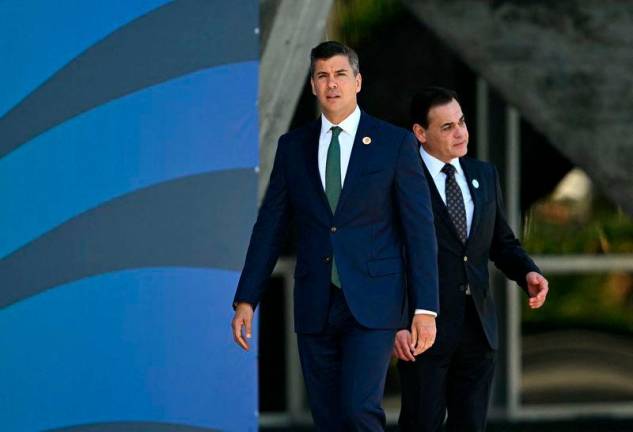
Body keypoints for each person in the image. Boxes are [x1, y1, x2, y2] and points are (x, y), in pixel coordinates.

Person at [230, 41, 438, 431]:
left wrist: (425, 309)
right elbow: (270, 226)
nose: (332, 84)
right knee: (328, 419)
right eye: (322, 76)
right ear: (312, 85)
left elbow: (419, 230)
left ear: (357, 82)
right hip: (315, 302)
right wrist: (247, 298)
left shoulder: (394, 144)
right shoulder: (293, 148)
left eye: (340, 74)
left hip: (374, 303)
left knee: (360, 410)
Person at [395, 87, 549, 432]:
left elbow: (502, 241)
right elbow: (389, 257)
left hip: (478, 327)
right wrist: (398, 322)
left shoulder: (484, 174)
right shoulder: (402, 180)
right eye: (447, 127)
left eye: (461, 121)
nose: (461, 132)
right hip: (425, 328)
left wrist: (527, 273)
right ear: (420, 133)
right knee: (421, 424)